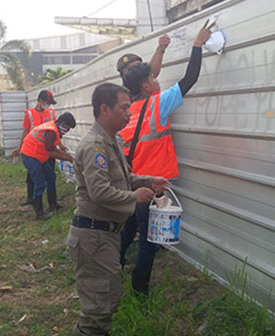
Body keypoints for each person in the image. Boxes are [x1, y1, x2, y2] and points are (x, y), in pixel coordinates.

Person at [118, 20, 214, 294]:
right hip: (154, 187)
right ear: (147, 86)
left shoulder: (125, 111)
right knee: (149, 241)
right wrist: (197, 45)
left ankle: (114, 269)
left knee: (128, 231)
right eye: (153, 78)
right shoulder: (157, 104)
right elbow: (190, 79)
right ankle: (140, 293)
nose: (157, 79)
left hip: (132, 187)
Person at [66, 83, 169, 336]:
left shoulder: (111, 141)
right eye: (124, 108)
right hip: (94, 238)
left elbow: (121, 178)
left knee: (107, 302)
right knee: (97, 311)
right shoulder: (95, 146)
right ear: (104, 109)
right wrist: (136, 197)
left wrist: (146, 181)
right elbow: (99, 191)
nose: (129, 113)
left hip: (105, 236)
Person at [13, 90, 64, 208]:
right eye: (47, 102)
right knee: (34, 176)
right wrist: (20, 148)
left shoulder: (51, 113)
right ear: (40, 101)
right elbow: (25, 131)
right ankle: (32, 199)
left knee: (50, 175)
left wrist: (60, 145)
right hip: (33, 150)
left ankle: (52, 202)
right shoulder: (29, 114)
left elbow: (55, 131)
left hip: (48, 150)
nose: (48, 105)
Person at [20, 112, 75, 220]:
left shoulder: (54, 128)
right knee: (39, 182)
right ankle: (39, 211)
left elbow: (52, 149)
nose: (67, 130)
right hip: (30, 155)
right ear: (63, 123)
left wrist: (67, 156)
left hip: (39, 155)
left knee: (51, 177)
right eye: (68, 127)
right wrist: (68, 158)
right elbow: (51, 152)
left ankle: (53, 204)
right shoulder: (51, 132)